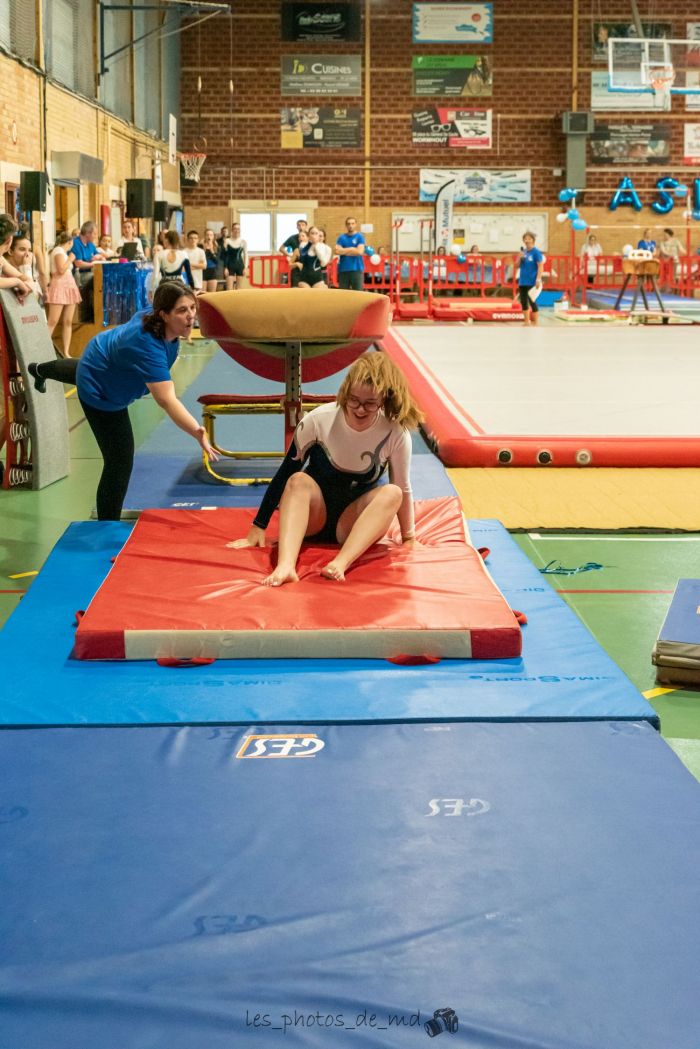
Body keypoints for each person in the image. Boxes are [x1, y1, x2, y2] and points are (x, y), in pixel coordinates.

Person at [27, 282, 219, 520]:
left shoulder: (159, 315)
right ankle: (106, 528)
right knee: (119, 462)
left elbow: (188, 297)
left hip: (104, 355)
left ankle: (38, 370)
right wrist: (196, 431)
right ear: (164, 314)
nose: (191, 316)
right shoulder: (147, 347)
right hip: (101, 390)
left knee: (81, 369)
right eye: (182, 310)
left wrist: (202, 298)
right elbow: (168, 400)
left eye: (193, 308)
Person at [228, 352, 423, 586]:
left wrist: (409, 537)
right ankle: (286, 566)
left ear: (384, 399)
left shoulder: (394, 431)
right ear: (345, 392)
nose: (360, 409)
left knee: (393, 493)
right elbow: (285, 474)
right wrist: (258, 526)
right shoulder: (318, 420)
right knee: (298, 480)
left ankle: (341, 563)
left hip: (352, 527)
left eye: (370, 404)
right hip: (312, 518)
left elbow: (403, 487)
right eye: (354, 400)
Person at [44, 231, 82, 356]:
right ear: (70, 242)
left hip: (69, 285)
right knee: (52, 321)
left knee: (68, 321)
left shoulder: (61, 252)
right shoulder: (58, 251)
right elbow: (61, 269)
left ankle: (66, 352)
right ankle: (41, 349)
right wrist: (71, 259)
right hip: (60, 286)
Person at [0, 214, 34, 301]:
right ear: (9, 240)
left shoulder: (1, 259)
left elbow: (20, 276)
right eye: (22, 249)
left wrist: (25, 277)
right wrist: (17, 281)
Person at [517, 231, 544, 325]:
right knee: (523, 301)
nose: (527, 240)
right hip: (523, 281)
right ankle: (526, 321)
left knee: (532, 301)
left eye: (529, 238)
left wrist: (538, 279)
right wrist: (519, 258)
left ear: (533, 240)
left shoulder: (536, 252)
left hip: (532, 281)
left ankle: (536, 321)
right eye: (525, 238)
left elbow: (540, 266)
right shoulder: (523, 252)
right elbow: (517, 265)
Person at [292, 225, 332, 289]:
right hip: (304, 278)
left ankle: (325, 287)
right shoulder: (303, 245)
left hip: (317, 278)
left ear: (320, 236)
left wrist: (316, 247)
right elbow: (301, 257)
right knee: (306, 295)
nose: (314, 236)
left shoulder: (326, 248)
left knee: (317, 295)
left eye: (316, 234)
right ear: (309, 235)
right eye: (312, 233)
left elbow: (323, 263)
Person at [335, 216, 366, 290]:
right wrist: (352, 249)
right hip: (343, 270)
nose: (350, 225)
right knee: (343, 295)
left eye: (352, 223)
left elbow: (359, 251)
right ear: (346, 225)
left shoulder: (360, 237)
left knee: (358, 294)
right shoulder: (341, 237)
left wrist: (344, 251)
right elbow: (337, 251)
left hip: (357, 270)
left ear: (356, 224)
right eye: (348, 224)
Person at [279, 219, 308, 288]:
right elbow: (281, 248)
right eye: (299, 225)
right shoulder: (292, 238)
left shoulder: (311, 239)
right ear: (297, 227)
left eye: (303, 225)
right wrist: (290, 255)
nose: (301, 227)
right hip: (296, 269)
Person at [221, 222, 248, 290]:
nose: (236, 230)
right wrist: (225, 267)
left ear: (240, 230)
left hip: (240, 265)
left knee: (239, 288)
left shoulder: (243, 242)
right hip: (230, 265)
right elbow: (224, 256)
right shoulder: (227, 241)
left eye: (238, 229)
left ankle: (238, 301)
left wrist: (245, 267)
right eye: (235, 229)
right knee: (229, 288)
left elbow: (246, 255)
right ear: (232, 230)